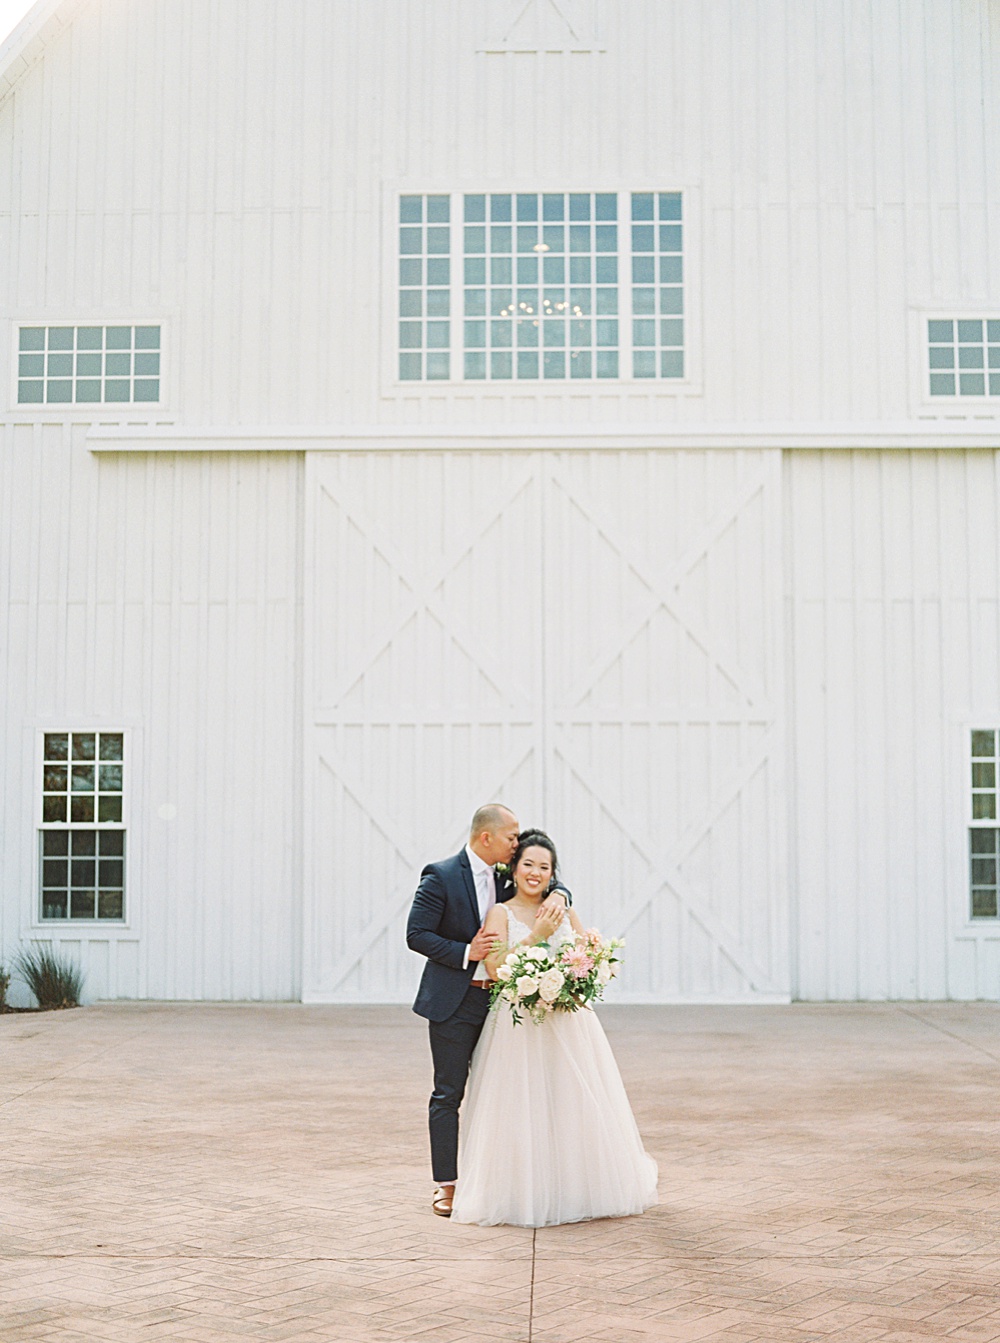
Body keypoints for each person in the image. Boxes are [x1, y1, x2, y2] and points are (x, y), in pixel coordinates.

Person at [450, 829, 658, 1227]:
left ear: (552, 874)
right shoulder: (500, 912)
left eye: (544, 867)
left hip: (567, 1021)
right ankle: (523, 1191)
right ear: (514, 868)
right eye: (528, 864)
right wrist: (538, 936)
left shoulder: (563, 907)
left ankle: (577, 1187)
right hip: (518, 1026)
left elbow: (588, 958)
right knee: (521, 1105)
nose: (535, 873)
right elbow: (496, 968)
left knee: (571, 1101)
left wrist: (573, 980)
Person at [406, 804, 570, 1218]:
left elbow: (547, 878)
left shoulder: (505, 873)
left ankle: (505, 1181)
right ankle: (447, 1184)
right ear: (487, 838)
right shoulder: (440, 875)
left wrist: (561, 893)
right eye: (512, 837)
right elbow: (416, 934)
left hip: (504, 1003)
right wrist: (466, 952)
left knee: (507, 1094)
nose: (517, 845)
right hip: (455, 1002)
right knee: (449, 1093)